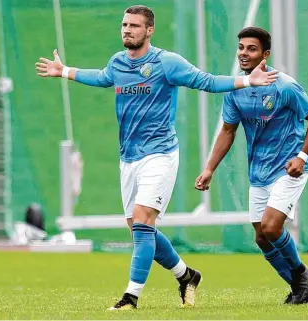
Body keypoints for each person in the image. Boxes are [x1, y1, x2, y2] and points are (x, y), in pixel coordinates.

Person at [35, 6, 278, 310]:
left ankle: (130, 297)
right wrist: (65, 71)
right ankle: (186, 275)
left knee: (142, 223)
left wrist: (247, 81)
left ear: (149, 30)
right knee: (139, 227)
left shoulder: (167, 63)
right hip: (129, 157)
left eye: (134, 26)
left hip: (160, 155)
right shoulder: (119, 62)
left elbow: (207, 81)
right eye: (124, 24)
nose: (127, 30)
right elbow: (101, 77)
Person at [195, 27, 308, 305]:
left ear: (265, 54)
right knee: (261, 237)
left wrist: (301, 156)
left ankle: (301, 273)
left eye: (251, 48)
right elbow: (227, 131)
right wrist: (209, 169)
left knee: (271, 228)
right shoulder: (236, 89)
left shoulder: (285, 86)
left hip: (289, 168)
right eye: (241, 47)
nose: (243, 53)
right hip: (259, 171)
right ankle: (298, 287)